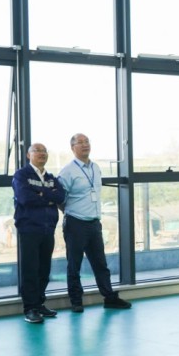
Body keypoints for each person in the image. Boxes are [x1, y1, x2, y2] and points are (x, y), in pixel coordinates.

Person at [57, 133, 132, 312]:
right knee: (74, 265)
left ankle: (109, 297)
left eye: (87, 142)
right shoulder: (68, 171)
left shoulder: (96, 168)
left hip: (94, 223)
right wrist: (72, 213)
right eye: (80, 142)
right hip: (75, 223)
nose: (85, 145)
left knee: (100, 264)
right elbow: (59, 199)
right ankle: (76, 301)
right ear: (73, 148)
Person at [12, 143, 66, 324]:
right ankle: (30, 309)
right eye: (37, 151)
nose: (41, 154)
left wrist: (41, 193)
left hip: (48, 229)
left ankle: (39, 303)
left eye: (44, 151)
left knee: (44, 269)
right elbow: (25, 198)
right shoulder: (22, 175)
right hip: (29, 229)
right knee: (30, 270)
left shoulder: (50, 178)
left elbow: (60, 197)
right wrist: (48, 196)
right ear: (29, 155)